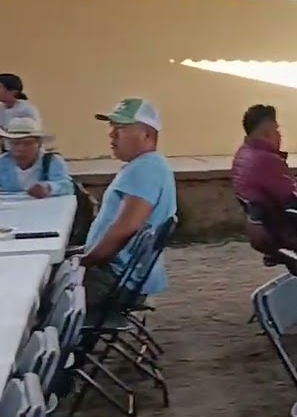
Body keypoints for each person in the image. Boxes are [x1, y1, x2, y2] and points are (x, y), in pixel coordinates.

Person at [81, 98, 178, 308]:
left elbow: (126, 228)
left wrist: (86, 261)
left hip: (115, 280)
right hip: (121, 275)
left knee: (38, 298)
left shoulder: (145, 169)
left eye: (121, 128)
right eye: (112, 127)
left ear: (147, 134)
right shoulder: (147, 165)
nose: (112, 134)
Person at [231, 104, 297, 258]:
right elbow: (296, 200)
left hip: (265, 228)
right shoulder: (266, 160)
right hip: (286, 230)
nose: (280, 135)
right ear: (266, 133)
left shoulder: (245, 153)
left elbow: (288, 184)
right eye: (277, 130)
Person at [0, 117, 73, 198]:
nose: (21, 148)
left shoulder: (51, 161)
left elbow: (67, 186)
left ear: (39, 144)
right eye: (16, 143)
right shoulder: (2, 162)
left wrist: (48, 188)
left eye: (28, 143)